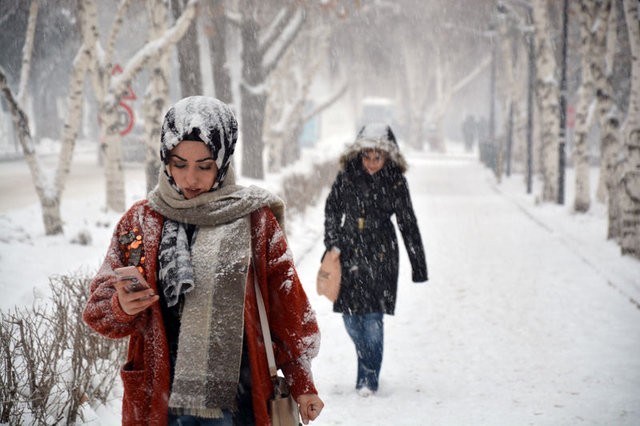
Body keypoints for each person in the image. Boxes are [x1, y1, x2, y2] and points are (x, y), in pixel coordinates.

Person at [83, 96, 324, 426]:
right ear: (165, 158)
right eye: (179, 164)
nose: (190, 179)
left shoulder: (254, 220)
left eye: (204, 166)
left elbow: (289, 310)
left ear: (223, 162)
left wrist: (302, 384)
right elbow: (97, 313)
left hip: (239, 404)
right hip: (161, 403)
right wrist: (120, 305)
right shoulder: (142, 222)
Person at [322, 122, 428, 396]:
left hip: (381, 253)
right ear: (359, 154)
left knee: (372, 318)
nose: (371, 163)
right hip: (348, 251)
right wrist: (332, 242)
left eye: (377, 157)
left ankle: (369, 376)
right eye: (366, 156)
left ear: (387, 156)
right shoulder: (347, 176)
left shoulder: (395, 180)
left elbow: (407, 222)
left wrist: (419, 266)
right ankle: (365, 358)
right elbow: (332, 209)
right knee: (350, 317)